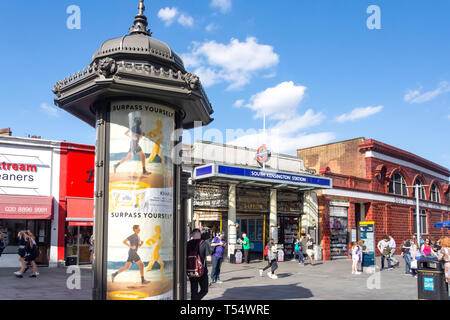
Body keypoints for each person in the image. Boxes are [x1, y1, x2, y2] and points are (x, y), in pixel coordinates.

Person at [187, 228, 212, 300]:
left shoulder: (188, 244)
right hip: (202, 270)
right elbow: (209, 259)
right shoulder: (204, 243)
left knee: (193, 290)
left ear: (192, 235)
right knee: (204, 290)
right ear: (200, 234)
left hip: (191, 269)